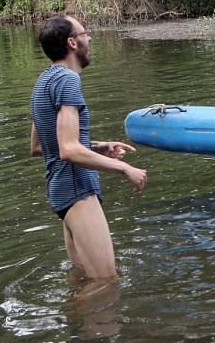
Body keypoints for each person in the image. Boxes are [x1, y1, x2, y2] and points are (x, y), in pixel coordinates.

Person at [30, 15, 147, 281]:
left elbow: (39, 145)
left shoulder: (42, 83)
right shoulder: (68, 81)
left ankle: (72, 321)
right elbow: (68, 149)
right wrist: (124, 168)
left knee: (83, 281)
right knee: (106, 284)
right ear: (72, 42)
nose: (90, 38)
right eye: (85, 33)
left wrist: (99, 147)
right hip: (78, 192)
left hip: (61, 196)